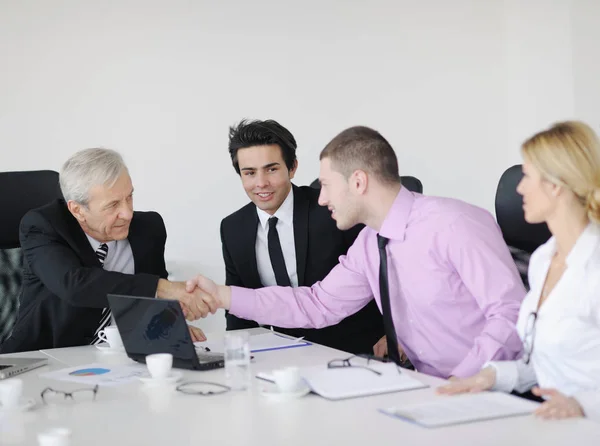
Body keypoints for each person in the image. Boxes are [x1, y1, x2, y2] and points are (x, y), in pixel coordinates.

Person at [187, 126, 526, 379]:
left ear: (359, 182)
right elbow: (316, 304)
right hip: (424, 387)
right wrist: (223, 295)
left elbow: (511, 314)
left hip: (489, 388)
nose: (320, 199)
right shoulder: (369, 243)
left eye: (327, 186)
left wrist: (460, 383)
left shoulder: (454, 224)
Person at [438, 121, 600, 421]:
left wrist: (582, 404)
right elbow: (547, 362)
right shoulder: (542, 260)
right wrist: (491, 376)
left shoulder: (595, 267)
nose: (520, 188)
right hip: (553, 425)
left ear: (555, 185)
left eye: (527, 176)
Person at [1, 148, 207, 353]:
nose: (127, 213)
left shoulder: (148, 229)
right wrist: (163, 287)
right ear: (77, 210)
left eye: (129, 197)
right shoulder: (43, 227)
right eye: (113, 205)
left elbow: (151, 303)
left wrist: (169, 326)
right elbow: (75, 285)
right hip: (41, 358)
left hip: (116, 358)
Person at [220, 119, 384, 354]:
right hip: (278, 353)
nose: (261, 183)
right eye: (249, 173)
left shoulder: (334, 211)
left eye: (272, 169)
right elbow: (238, 307)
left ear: (293, 167)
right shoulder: (233, 227)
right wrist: (236, 354)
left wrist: (395, 333)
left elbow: (383, 277)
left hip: (352, 349)